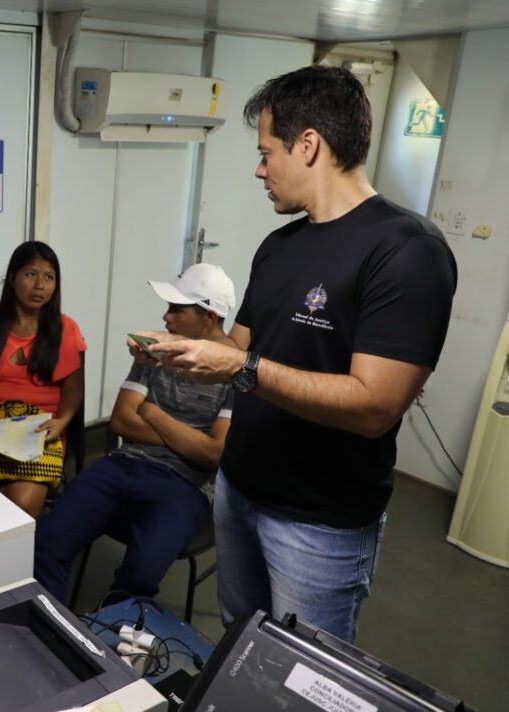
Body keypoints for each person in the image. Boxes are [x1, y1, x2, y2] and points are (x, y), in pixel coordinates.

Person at [143, 65, 457, 642]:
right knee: (242, 644)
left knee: (305, 672)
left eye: (267, 153)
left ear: (308, 144)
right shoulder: (280, 245)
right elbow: (241, 347)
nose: (259, 169)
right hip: (238, 490)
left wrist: (241, 366)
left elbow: (375, 407)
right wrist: (188, 347)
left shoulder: (407, 251)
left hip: (319, 523)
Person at [35, 264, 237, 604]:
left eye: (177, 309)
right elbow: (120, 422)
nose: (166, 317)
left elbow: (212, 454)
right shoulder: (156, 349)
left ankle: (111, 641)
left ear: (210, 317)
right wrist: (187, 439)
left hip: (184, 484)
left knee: (140, 578)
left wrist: (150, 411)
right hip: (123, 463)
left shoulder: (234, 372)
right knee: (47, 543)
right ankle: (48, 630)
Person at [0, 241, 86, 519]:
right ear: (13, 277)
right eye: (31, 274)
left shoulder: (65, 328)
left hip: (42, 429)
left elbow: (74, 390)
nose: (40, 284)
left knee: (22, 505)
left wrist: (62, 422)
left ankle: (25, 555)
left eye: (49, 277)